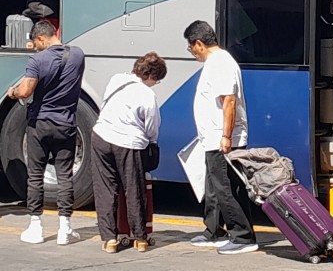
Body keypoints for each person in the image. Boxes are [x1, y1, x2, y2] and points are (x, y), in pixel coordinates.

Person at [6, 20, 85, 245]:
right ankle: (65, 229)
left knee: (36, 175)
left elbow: (26, 90)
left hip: (40, 124)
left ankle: (35, 227)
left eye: (36, 42)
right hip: (67, 124)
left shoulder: (37, 60)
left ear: (41, 38)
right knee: (64, 176)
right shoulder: (78, 55)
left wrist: (13, 92)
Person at [184, 20, 258, 255]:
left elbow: (229, 101)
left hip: (222, 138)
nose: (192, 52)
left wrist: (226, 136)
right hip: (212, 136)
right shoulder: (215, 62)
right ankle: (214, 231)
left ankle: (243, 236)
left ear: (199, 43)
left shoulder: (221, 63)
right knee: (214, 186)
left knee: (226, 187)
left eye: (191, 47)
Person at [91, 52, 167, 253]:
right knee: (134, 189)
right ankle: (140, 239)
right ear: (151, 76)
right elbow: (152, 128)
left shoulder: (117, 79)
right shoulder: (148, 95)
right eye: (157, 80)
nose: (155, 84)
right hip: (129, 142)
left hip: (101, 136)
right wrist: (150, 143)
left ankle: (109, 240)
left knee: (105, 189)